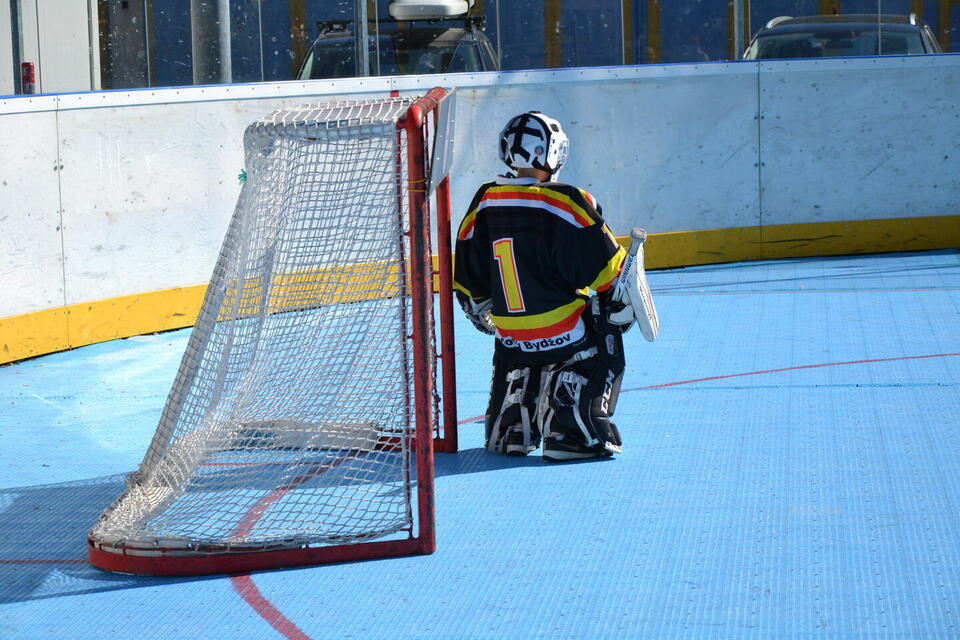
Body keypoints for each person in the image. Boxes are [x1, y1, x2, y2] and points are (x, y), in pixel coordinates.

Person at [453, 111, 634, 462]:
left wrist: (487, 313)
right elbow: (611, 277)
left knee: (521, 336)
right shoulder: (568, 199)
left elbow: (468, 279)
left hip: (510, 335)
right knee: (606, 321)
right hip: (562, 332)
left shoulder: (484, 200)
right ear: (554, 153)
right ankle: (570, 431)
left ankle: (510, 427)